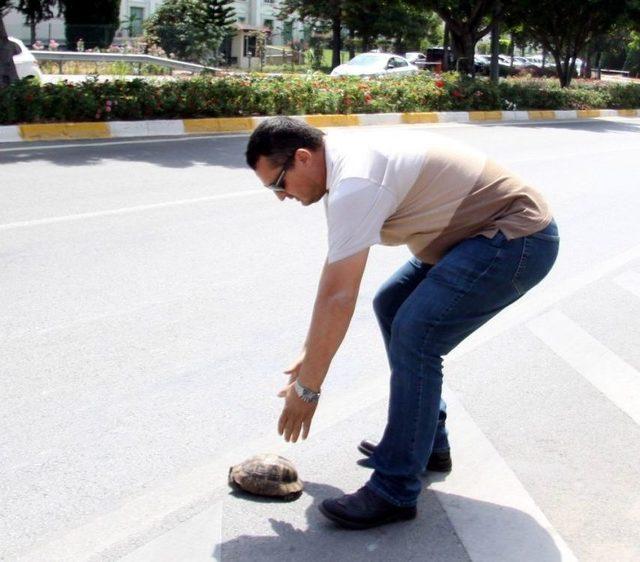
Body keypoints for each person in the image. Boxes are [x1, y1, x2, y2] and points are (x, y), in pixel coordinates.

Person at [245, 116, 559, 530]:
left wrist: (308, 389)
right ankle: (427, 444)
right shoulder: (339, 162)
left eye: (278, 184)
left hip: (515, 238)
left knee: (417, 333)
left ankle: (395, 488)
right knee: (393, 304)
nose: (280, 196)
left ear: (303, 158)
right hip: (473, 237)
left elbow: (339, 295)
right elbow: (333, 281)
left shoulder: (354, 181)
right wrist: (309, 351)